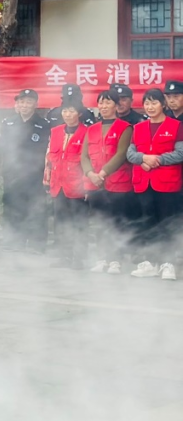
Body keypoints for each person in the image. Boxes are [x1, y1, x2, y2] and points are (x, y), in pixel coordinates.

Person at [127, 89, 183, 280]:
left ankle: (168, 264)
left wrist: (156, 159)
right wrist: (143, 158)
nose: (150, 107)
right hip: (144, 183)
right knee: (147, 222)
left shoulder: (176, 126)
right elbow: (130, 153)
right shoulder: (139, 127)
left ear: (163, 105)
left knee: (167, 222)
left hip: (167, 183)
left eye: (154, 103)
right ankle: (150, 261)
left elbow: (180, 153)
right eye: (147, 103)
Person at [83, 90, 134, 274]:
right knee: (100, 222)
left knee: (117, 222)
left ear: (116, 105)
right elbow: (84, 156)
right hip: (95, 184)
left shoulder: (125, 127)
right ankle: (102, 258)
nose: (103, 106)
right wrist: (90, 174)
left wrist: (102, 173)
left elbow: (121, 154)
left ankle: (116, 260)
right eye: (101, 103)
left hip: (118, 183)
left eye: (108, 103)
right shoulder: (91, 129)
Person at [0, 89, 50, 253]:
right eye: (21, 101)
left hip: (34, 175)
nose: (24, 105)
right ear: (17, 104)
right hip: (13, 174)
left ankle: (37, 242)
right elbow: (3, 148)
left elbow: (45, 151)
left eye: (28, 102)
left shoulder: (44, 125)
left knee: (36, 207)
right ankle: (14, 239)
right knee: (13, 206)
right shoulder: (8, 123)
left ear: (36, 104)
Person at [44, 103, 89, 269]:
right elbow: (49, 157)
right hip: (58, 184)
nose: (67, 114)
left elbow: (90, 160)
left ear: (79, 113)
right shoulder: (55, 131)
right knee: (61, 222)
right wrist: (47, 181)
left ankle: (79, 258)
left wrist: (88, 185)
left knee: (79, 223)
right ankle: (64, 256)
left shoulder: (87, 132)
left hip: (78, 186)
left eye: (71, 111)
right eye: (64, 111)